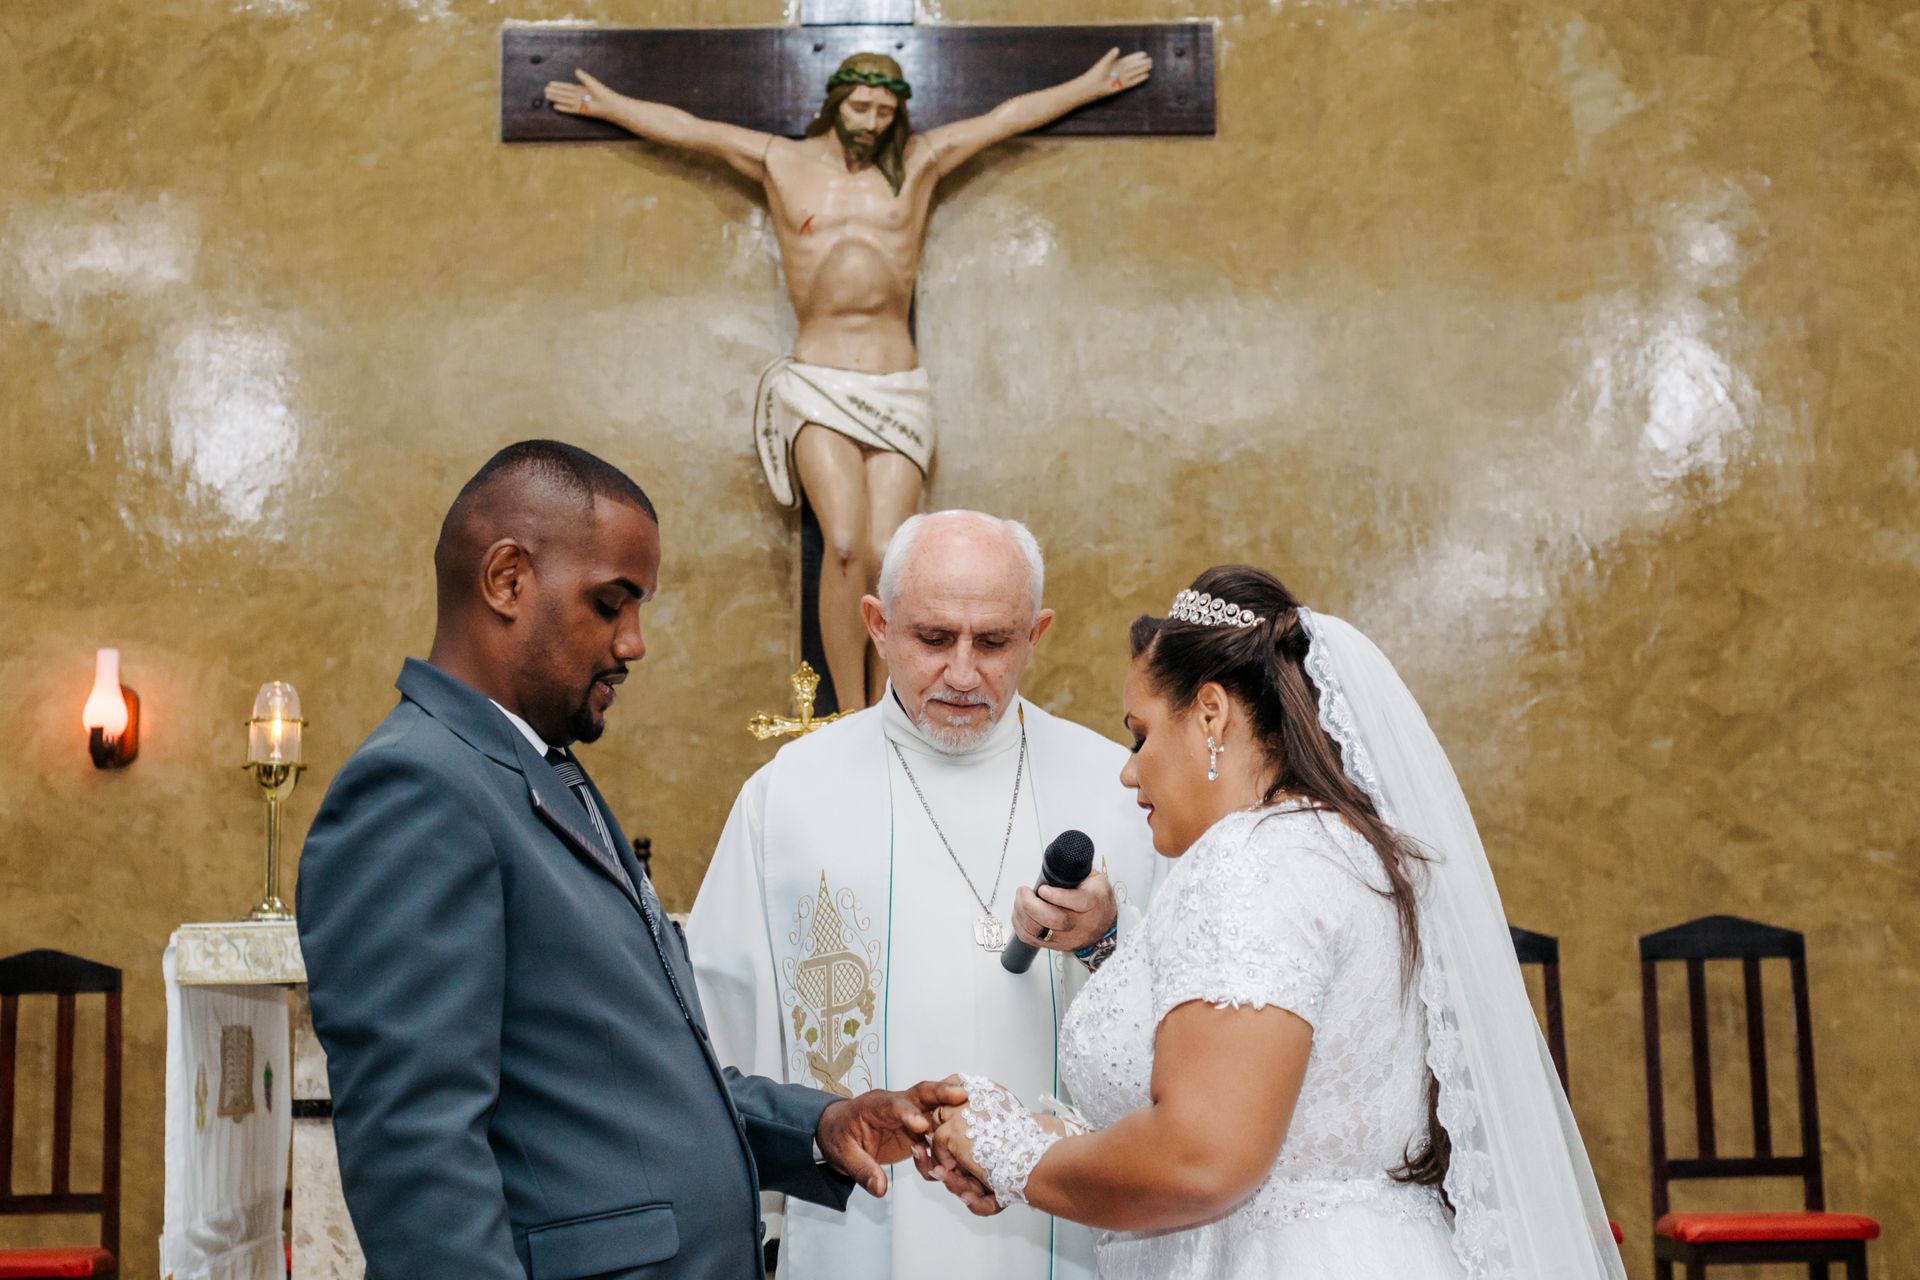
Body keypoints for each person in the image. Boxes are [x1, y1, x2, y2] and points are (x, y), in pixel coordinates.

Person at [296, 440, 966, 1280]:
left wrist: (819, 1129)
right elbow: (415, 1154)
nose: (635, 642)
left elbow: (621, 1084)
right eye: (611, 604)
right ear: (506, 580)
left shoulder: (539, 771)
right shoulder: (415, 789)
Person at [925, 566, 1628, 1280]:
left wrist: (1016, 1154)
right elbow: (1292, 1111)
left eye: (1139, 735)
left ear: (1210, 713)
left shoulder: (1249, 861)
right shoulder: (1347, 846)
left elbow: (1201, 1159)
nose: (1129, 772)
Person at [543, 49, 1151, 711]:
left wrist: (1089, 84)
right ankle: (854, 710)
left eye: (886, 111)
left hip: (896, 384)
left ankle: (893, 699)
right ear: (837, 102)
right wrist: (609, 106)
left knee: (891, 552)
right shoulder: (782, 161)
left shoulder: (918, 162)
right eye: (861, 107)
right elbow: (693, 130)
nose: (872, 121)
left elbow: (1003, 121)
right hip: (817, 382)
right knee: (841, 545)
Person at [687, 510, 1162, 1280]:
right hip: (863, 1233)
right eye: (934, 639)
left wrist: (1110, 933)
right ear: (877, 625)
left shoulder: (1119, 792)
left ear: (1037, 634)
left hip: (1070, 1235)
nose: (965, 673)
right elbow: (722, 1044)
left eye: (995, 641)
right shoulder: (786, 800)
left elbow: (1194, 1024)